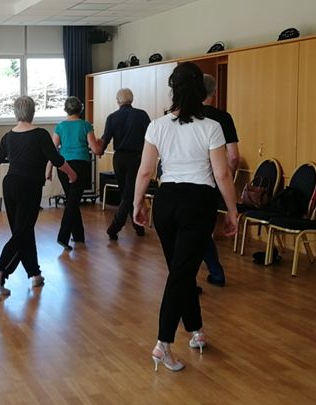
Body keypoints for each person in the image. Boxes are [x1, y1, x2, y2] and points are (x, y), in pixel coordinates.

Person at [132, 62, 238, 372]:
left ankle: (196, 330)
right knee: (181, 273)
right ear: (202, 92)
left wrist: (138, 203)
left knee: (181, 270)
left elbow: (146, 171)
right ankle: (163, 344)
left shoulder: (157, 125)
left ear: (173, 90)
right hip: (197, 202)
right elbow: (222, 173)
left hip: (166, 201)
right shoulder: (211, 127)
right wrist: (232, 211)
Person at [0, 96, 77, 297]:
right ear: (33, 112)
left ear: (16, 113)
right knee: (22, 232)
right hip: (29, 186)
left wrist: (15, 155)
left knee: (23, 230)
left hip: (10, 185)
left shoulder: (8, 136)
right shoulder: (40, 135)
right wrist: (72, 173)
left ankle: (34, 274)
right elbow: (57, 159)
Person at [200, 74, 240, 287]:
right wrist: (226, 179)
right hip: (213, 181)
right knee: (204, 229)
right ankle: (215, 272)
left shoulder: (180, 116)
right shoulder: (223, 118)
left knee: (194, 231)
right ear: (213, 93)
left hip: (183, 181)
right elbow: (233, 156)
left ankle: (211, 273)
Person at [52, 96, 103, 250]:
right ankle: (63, 236)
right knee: (73, 201)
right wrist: (100, 145)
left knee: (72, 200)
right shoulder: (86, 125)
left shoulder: (60, 126)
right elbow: (95, 150)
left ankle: (79, 235)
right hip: (80, 165)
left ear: (66, 109)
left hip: (63, 166)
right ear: (80, 109)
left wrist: (49, 168)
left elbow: (53, 149)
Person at [100, 88, 151, 240]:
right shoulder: (141, 115)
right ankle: (115, 227)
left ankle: (137, 226)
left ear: (118, 101)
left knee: (126, 193)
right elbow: (151, 136)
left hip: (119, 159)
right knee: (129, 194)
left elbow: (105, 139)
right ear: (132, 99)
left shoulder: (112, 117)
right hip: (135, 158)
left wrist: (99, 149)